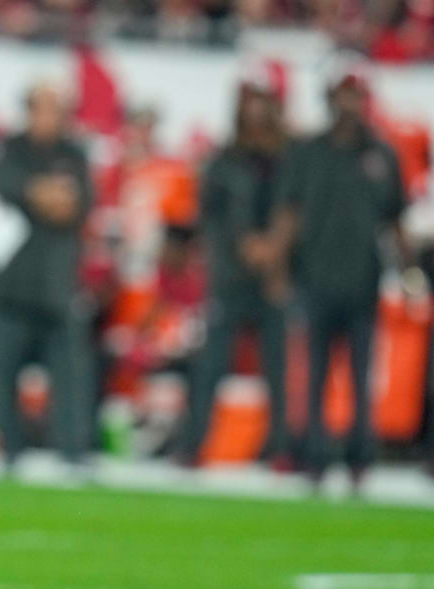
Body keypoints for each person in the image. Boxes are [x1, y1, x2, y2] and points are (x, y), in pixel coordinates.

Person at [267, 59, 418, 491]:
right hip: (314, 277)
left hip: (362, 282)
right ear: (330, 97)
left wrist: (408, 272)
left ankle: (359, 458)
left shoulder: (382, 153)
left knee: (360, 377)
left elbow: (394, 219)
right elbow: (289, 213)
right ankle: (313, 456)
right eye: (342, 93)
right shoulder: (308, 152)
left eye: (356, 94)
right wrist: (278, 268)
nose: (349, 103)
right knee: (313, 375)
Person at [0, 81, 95, 466]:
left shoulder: (75, 153)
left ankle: (73, 450)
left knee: (72, 374)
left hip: (57, 288)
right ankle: (10, 449)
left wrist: (35, 194)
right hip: (7, 286)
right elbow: (3, 184)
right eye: (41, 108)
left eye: (55, 109)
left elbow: (79, 204)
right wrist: (43, 193)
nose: (48, 117)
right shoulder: (10, 148)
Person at [178, 65, 292, 468]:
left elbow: (301, 211)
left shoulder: (291, 158)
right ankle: (193, 444)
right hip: (230, 276)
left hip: (277, 278)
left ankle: (282, 447)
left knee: (279, 367)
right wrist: (240, 245)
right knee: (211, 363)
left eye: (263, 101)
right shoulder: (223, 160)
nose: (256, 111)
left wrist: (275, 250)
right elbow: (209, 217)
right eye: (250, 101)